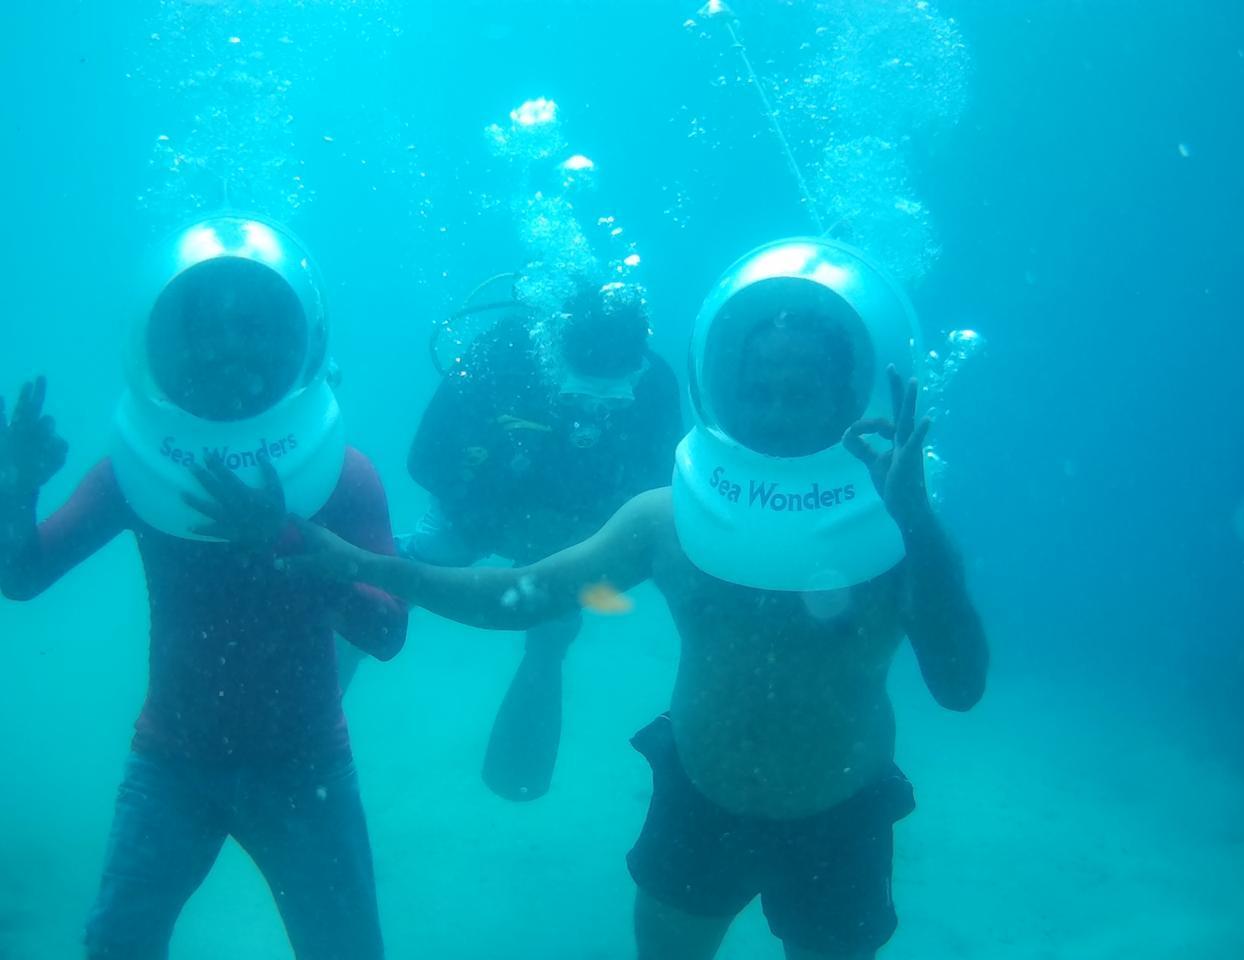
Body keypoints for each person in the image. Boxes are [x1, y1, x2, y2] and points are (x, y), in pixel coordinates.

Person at [270, 238, 988, 960]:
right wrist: (367, 565)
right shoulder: (668, 516)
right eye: (757, 391)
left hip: (842, 817)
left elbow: (960, 687)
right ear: (724, 394)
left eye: (801, 394)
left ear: (849, 398)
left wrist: (918, 524)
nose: (774, 414)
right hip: (700, 804)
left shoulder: (893, 532)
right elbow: (521, 598)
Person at [0, 216, 407, 960]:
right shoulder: (142, 472)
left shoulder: (341, 475)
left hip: (304, 762)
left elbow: (387, 633)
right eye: (207, 327)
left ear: (299, 338)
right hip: (173, 762)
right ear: (165, 341)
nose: (230, 347)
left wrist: (282, 538)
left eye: (254, 326)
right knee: (117, 946)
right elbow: (21, 578)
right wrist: (16, 487)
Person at [389, 277, 683, 801]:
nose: (601, 396)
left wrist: (584, 538)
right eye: (591, 367)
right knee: (394, 580)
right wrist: (503, 508)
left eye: (618, 369)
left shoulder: (653, 381)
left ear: (638, 352)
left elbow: (662, 487)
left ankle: (545, 654)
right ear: (560, 343)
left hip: (583, 536)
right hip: (479, 514)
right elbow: (427, 458)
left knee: (557, 627)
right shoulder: (504, 356)